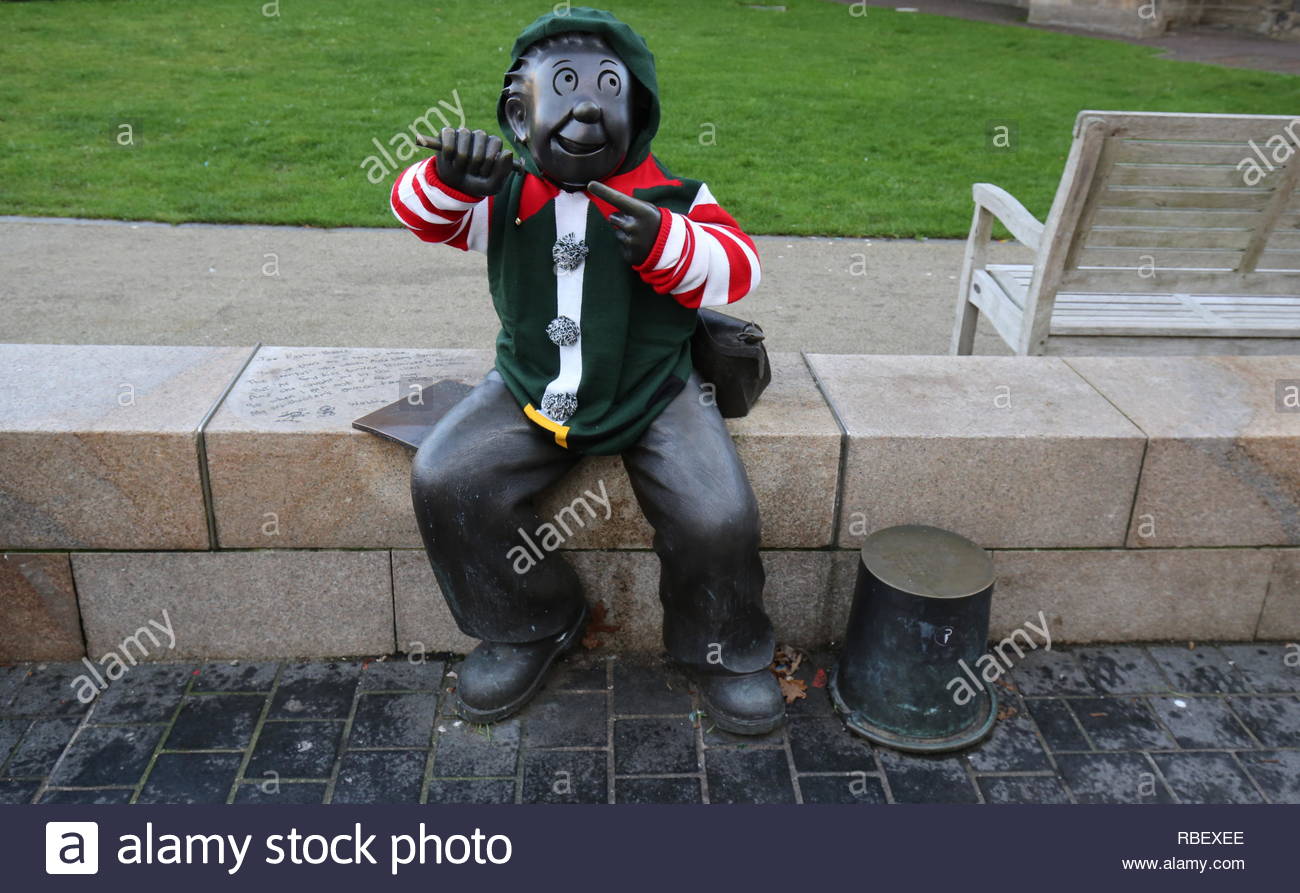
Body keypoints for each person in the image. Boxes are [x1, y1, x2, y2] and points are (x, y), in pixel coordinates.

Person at [390, 7, 781, 734]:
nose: (585, 107)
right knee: (447, 475)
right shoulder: (504, 192)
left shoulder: (674, 197)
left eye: (608, 87)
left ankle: (722, 649)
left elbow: (741, 268)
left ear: (640, 108)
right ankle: (530, 620)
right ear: (519, 107)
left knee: (718, 514)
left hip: (654, 389)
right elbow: (418, 215)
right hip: (530, 382)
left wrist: (667, 241)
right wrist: (447, 178)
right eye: (562, 85)